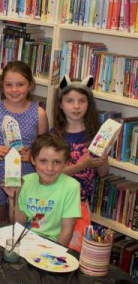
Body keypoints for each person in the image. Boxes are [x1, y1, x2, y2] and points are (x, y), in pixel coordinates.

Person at [0, 61, 48, 226]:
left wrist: (32, 155)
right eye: (9, 85)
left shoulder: (39, 114)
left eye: (20, 84)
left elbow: (44, 151)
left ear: (30, 85)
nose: (14, 90)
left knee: (21, 226)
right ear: (2, 86)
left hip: (26, 177)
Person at [51, 76, 109, 250]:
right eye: (70, 101)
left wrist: (102, 160)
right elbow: (51, 173)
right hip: (57, 201)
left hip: (81, 204)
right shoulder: (55, 135)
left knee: (74, 250)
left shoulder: (95, 135)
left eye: (82, 101)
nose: (76, 106)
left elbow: (103, 173)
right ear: (61, 104)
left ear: (88, 104)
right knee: (53, 246)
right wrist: (82, 166)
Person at [6, 133, 81, 246]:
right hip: (26, 240)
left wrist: (55, 255)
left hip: (53, 244)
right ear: (33, 160)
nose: (50, 168)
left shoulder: (72, 186)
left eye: (57, 162)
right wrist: (13, 198)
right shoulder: (25, 181)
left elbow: (67, 230)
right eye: (43, 161)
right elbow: (18, 224)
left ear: (65, 163)